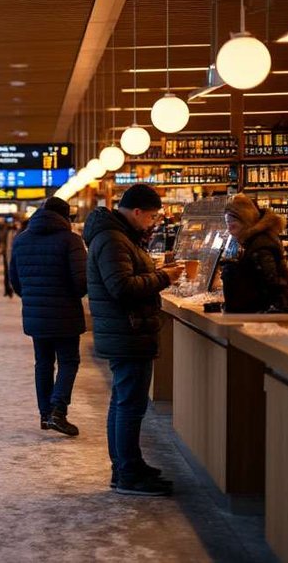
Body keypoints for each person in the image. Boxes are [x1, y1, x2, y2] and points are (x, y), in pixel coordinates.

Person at [84, 184, 182, 496]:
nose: (153, 222)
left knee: (124, 402)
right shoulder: (113, 239)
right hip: (127, 331)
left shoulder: (117, 236)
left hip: (126, 330)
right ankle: (127, 473)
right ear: (137, 212)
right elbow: (122, 287)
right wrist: (164, 277)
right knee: (129, 404)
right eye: (151, 216)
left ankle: (128, 466)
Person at [9, 197, 88, 436]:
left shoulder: (21, 240)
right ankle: (58, 411)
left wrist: (33, 297)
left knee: (43, 363)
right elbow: (81, 282)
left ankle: (45, 415)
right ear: (65, 217)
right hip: (66, 313)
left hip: (35, 314)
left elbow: (15, 281)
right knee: (68, 361)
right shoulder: (71, 240)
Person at [221, 194, 288, 313]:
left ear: (245, 219)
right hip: (258, 312)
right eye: (227, 222)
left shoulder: (261, 244)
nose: (229, 228)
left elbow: (272, 283)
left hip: (261, 314)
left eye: (232, 222)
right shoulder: (252, 241)